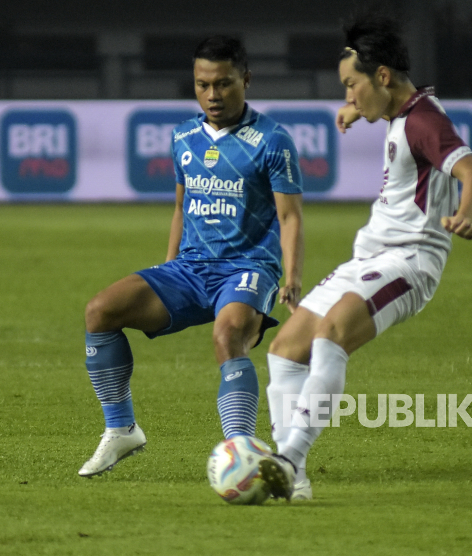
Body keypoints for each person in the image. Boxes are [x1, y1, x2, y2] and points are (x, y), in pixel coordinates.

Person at [258, 12, 472, 500]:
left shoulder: (425, 120)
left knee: (330, 335)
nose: (347, 96)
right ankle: (291, 475)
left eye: (350, 86)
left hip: (408, 262)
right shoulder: (402, 111)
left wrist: (465, 214)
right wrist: (355, 112)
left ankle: (289, 457)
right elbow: (387, 114)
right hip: (368, 257)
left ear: (381, 75)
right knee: (284, 351)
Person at [78, 35, 304, 478]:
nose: (213, 95)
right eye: (203, 85)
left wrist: (291, 277)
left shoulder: (273, 140)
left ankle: (241, 452)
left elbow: (290, 216)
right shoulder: (183, 135)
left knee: (228, 335)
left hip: (248, 267)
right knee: (100, 311)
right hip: (189, 268)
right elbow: (181, 206)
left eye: (223, 83)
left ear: (246, 79)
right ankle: (121, 429)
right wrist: (167, 263)